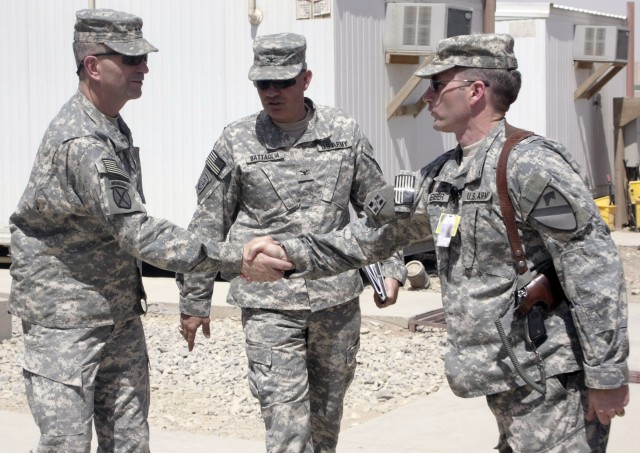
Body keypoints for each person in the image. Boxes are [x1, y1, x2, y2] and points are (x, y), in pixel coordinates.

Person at [248, 33, 630, 452]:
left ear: (475, 91)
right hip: (506, 372)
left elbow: (592, 268)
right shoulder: (442, 176)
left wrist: (606, 374)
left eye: (437, 85)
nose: (427, 96)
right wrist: (291, 252)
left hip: (551, 376)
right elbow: (372, 236)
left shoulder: (529, 165)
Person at [8, 9, 290, 452]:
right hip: (66, 322)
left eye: (143, 58)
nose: (144, 67)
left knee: (130, 443)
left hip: (115, 312)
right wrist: (236, 257)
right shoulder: (81, 143)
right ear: (93, 66)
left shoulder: (110, 125)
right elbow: (138, 232)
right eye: (130, 58)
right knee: (66, 446)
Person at [177, 32, 407, 453]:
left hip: (335, 303)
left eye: (283, 82)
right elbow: (208, 224)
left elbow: (379, 209)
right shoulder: (237, 141)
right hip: (269, 305)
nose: (272, 92)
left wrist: (390, 269)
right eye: (263, 84)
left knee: (325, 426)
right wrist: (195, 299)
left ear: (306, 79)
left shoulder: (344, 132)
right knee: (287, 429)